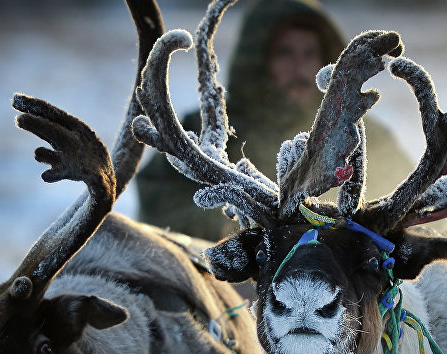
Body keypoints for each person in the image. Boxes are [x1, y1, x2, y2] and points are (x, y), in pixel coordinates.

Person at [135, 0, 413, 240]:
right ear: (258, 58)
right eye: (285, 52)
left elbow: (411, 196)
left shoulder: (360, 137)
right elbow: (157, 196)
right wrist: (223, 226)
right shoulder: (208, 131)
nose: (299, 66)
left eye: (309, 53)